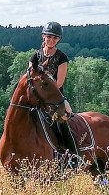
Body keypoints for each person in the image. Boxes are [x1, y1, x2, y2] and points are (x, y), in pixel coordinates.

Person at [30, 22, 78, 158]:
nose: (51, 40)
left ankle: (73, 155)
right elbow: (30, 78)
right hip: (36, 97)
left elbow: (59, 83)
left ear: (59, 40)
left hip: (54, 98)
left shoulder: (62, 58)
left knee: (64, 118)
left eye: (55, 38)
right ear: (43, 36)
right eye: (49, 37)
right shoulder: (35, 56)